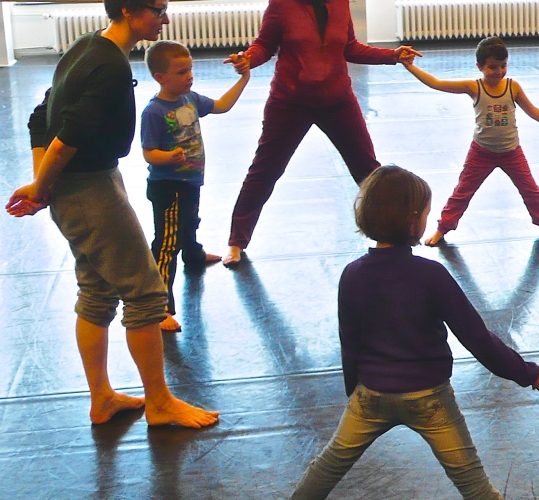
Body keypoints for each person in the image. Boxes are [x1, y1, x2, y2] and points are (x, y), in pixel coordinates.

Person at [5, 0, 218, 428]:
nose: (166, 18)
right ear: (128, 10)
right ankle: (159, 404)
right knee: (144, 293)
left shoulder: (85, 47)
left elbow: (39, 119)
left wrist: (43, 185)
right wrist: (42, 187)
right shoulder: (111, 67)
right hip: (88, 190)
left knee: (98, 289)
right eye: (158, 9)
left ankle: (102, 398)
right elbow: (63, 137)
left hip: (84, 183)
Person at [290, 165, 539, 499]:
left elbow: (350, 341)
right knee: (473, 482)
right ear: (412, 220)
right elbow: (478, 339)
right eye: (427, 215)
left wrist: (356, 390)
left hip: (370, 396)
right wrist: (530, 374)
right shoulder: (431, 274)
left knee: (327, 466)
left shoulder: (352, 274)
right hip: (428, 399)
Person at [221, 0, 422, 265]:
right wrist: (248, 59)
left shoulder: (340, 3)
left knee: (369, 171)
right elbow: (265, 45)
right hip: (289, 102)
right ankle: (236, 241)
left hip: (338, 100)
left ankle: (391, 235)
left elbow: (350, 47)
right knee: (264, 171)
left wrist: (392, 56)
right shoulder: (281, 4)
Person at [402, 37, 539, 246]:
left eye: (503, 65)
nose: (498, 71)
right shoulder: (474, 87)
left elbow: (533, 111)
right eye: (492, 67)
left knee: (531, 190)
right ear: (479, 66)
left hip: (511, 151)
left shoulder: (512, 87)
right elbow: (437, 83)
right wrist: (410, 67)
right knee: (462, 192)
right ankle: (442, 228)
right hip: (481, 152)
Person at [141, 40, 251, 332]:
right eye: (181, 72)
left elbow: (222, 106)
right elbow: (148, 152)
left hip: (190, 182)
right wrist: (168, 156)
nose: (189, 76)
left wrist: (244, 79)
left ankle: (194, 255)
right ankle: (160, 306)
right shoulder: (154, 112)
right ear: (160, 78)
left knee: (189, 223)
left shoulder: (189, 99)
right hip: (167, 186)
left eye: (190, 70)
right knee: (166, 243)